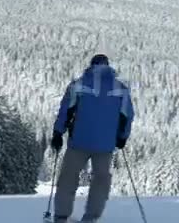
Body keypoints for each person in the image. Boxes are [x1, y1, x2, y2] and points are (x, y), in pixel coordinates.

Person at [50, 54, 135, 223]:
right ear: (108, 67)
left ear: (91, 65)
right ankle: (91, 217)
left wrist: (58, 133)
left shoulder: (78, 84)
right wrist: (122, 137)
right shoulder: (121, 89)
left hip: (79, 141)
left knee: (68, 177)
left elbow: (66, 110)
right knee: (101, 180)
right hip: (105, 144)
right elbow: (127, 115)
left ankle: (61, 216)